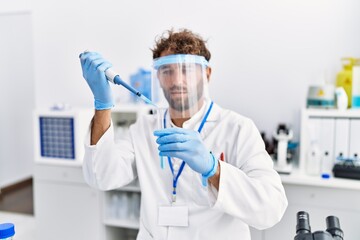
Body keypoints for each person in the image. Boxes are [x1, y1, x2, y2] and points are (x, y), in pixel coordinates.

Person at [79, 29, 288, 240]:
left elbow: (271, 209)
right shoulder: (144, 128)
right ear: (158, 77)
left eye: (187, 70)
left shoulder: (237, 129)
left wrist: (213, 169)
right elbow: (101, 176)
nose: (177, 80)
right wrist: (103, 105)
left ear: (207, 74)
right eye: (167, 70)